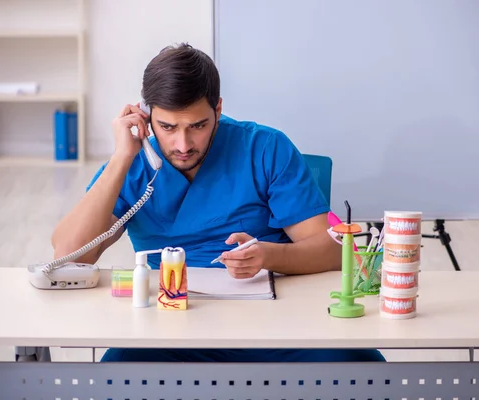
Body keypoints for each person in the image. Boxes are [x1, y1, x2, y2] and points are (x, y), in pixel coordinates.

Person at [51, 43, 385, 363]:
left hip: (275, 326)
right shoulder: (134, 165)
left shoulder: (264, 148)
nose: (183, 144)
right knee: (120, 374)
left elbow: (333, 250)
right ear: (146, 117)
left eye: (197, 126)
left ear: (219, 109)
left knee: (357, 364)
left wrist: (270, 255)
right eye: (167, 127)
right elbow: (70, 255)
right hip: (170, 334)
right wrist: (122, 157)